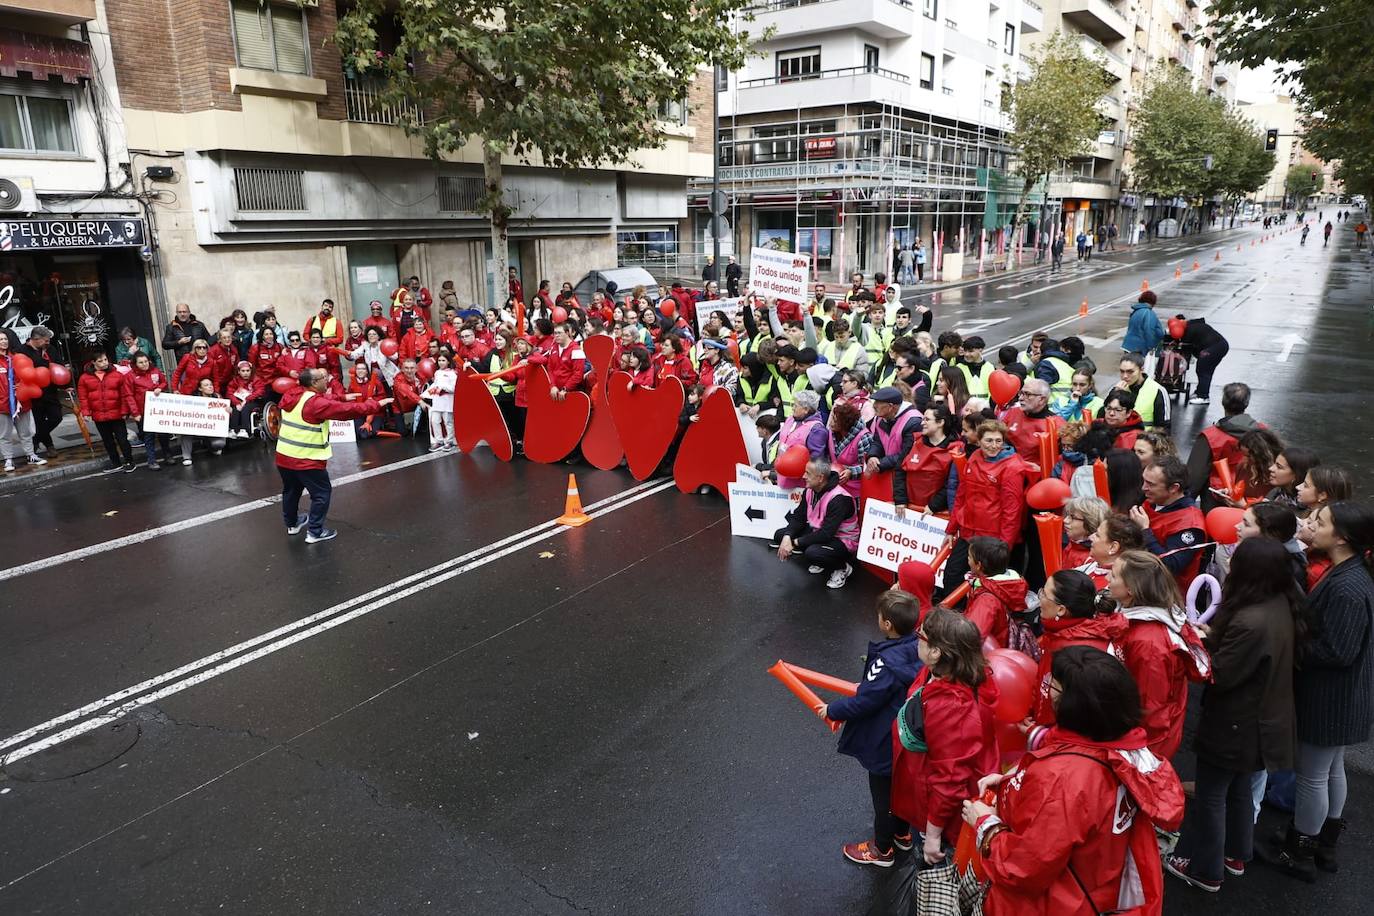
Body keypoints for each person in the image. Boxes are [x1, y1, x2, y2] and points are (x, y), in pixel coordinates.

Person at [964, 646, 1185, 916]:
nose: (1048, 692)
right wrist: (1012, 781)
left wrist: (985, 824)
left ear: (1074, 704)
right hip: (1094, 889)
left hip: (1050, 904)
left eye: (1053, 687)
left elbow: (1023, 867)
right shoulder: (1124, 748)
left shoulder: (1065, 779)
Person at [1166, 537, 1303, 892]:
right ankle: (1235, 855)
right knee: (1240, 788)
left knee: (1212, 795)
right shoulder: (1279, 605)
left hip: (1236, 721)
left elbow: (1222, 673)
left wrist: (1196, 644)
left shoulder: (1250, 619)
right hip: (1263, 720)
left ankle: (1205, 869)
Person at [1270, 501, 1374, 880]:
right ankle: (1323, 843)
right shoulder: (1350, 573)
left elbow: (1337, 651)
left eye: (1322, 521)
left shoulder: (1347, 585)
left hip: (1331, 697)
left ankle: (1300, 849)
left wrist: (1290, 644)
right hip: (1343, 696)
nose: (1313, 524)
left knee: (1314, 775)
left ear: (1342, 537)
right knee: (1330, 770)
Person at [818, 590, 923, 867]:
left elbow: (866, 700)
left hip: (883, 740)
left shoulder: (886, 662)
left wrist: (833, 709)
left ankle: (881, 850)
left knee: (883, 797)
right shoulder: (918, 649)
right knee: (901, 788)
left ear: (887, 624)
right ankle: (903, 834)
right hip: (906, 739)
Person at [892, 608, 998, 865]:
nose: (917, 638)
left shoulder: (953, 707)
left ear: (936, 652)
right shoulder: (943, 671)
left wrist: (932, 836)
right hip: (926, 788)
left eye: (922, 635)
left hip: (944, 818)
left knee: (932, 882)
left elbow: (950, 780)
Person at [1108, 550, 1212, 759]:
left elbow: (1151, 710)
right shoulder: (1135, 620)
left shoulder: (1149, 643)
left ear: (1131, 589)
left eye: (1113, 575)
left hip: (1145, 746)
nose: (1108, 579)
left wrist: (1138, 754)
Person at [275, 368, 390, 544]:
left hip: (284, 455)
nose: (327, 379)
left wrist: (341, 397)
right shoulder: (315, 404)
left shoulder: (293, 393)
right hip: (307, 458)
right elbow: (346, 411)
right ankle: (315, 532)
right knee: (321, 493)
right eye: (323, 378)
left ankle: (292, 524)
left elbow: (325, 400)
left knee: (291, 491)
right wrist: (376, 405)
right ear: (313, 383)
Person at [942, 419, 1030, 598]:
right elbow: (961, 495)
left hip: (992, 540)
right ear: (979, 440)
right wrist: (951, 529)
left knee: (987, 586)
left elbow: (1012, 512)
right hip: (969, 532)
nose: (994, 446)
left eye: (998, 441)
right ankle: (954, 618)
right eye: (989, 440)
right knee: (952, 575)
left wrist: (1004, 548)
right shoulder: (974, 457)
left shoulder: (1012, 467)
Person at [1031, 570, 1126, 725]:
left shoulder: (1076, 654)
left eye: (1044, 594)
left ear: (1061, 610)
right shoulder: (1062, 635)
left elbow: (1080, 719)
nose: (1039, 598)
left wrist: (1040, 735)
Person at [771, 458, 858, 589]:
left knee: (813, 553)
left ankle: (843, 567)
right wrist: (787, 537)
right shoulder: (810, 490)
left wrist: (794, 543)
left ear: (820, 478)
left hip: (842, 540)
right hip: (818, 531)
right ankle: (817, 557)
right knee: (780, 535)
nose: (803, 476)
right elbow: (798, 518)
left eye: (807, 473)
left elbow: (826, 534)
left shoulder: (840, 499)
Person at [1131, 455, 1207, 587]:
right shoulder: (1154, 501)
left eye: (1151, 484)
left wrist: (1144, 531)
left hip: (1167, 595)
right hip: (1139, 579)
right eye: (1144, 481)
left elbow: (1170, 566)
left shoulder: (1190, 523)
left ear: (1173, 488)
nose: (1143, 488)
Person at [1185, 382, 1264, 503]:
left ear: (1223, 402)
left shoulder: (1211, 436)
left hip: (1218, 496)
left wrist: (1186, 501)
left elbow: (1195, 475)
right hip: (1253, 495)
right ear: (1246, 403)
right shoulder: (1263, 431)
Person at [964, 536, 1029, 651]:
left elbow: (971, 637)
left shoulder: (987, 600)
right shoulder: (1005, 586)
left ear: (979, 565)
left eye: (969, 557)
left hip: (987, 655)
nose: (967, 559)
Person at [78, 352, 138, 472]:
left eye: (105, 359)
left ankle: (129, 461)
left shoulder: (117, 375)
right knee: (108, 441)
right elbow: (83, 397)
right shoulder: (84, 378)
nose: (104, 363)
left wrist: (125, 410)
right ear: (93, 362)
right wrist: (86, 412)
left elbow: (124, 394)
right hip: (99, 415)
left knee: (122, 439)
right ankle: (115, 463)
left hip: (117, 413)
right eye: (100, 361)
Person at [895, 404, 961, 512]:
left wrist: (934, 506)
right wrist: (900, 499)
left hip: (933, 512)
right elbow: (899, 470)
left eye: (927, 420)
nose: (922, 423)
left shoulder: (955, 449)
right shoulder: (914, 440)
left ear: (940, 422)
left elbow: (951, 483)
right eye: (922, 419)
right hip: (907, 508)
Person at [15, 326, 63, 455]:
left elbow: (58, 365)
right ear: (35, 339)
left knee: (56, 417)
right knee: (39, 420)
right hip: (33, 392)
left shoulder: (50, 349)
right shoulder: (21, 351)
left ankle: (35, 439)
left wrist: (65, 382)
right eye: (45, 340)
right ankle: (49, 446)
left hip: (50, 391)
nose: (48, 343)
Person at [775, 389, 827, 489]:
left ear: (806, 409)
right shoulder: (791, 419)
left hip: (799, 484)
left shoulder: (816, 429)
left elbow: (816, 459)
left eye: (796, 405)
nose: (793, 408)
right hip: (781, 476)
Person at [126, 352, 169, 469]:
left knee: (164, 434)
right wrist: (135, 413)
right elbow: (129, 395)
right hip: (143, 411)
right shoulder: (130, 376)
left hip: (158, 409)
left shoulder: (155, 371)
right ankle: (152, 460)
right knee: (148, 436)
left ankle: (168, 455)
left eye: (146, 361)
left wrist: (160, 387)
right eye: (141, 362)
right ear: (135, 364)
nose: (144, 364)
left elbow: (164, 382)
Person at [1175, 316, 1230, 406]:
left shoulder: (1189, 330)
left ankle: (1203, 396)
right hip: (1220, 345)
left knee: (1203, 371)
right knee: (1206, 370)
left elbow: (1186, 350)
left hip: (1214, 347)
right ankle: (1200, 391)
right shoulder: (1195, 325)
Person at [826, 401, 872, 500]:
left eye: (835, 420)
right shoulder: (831, 433)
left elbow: (867, 467)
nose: (830, 422)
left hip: (854, 491)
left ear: (844, 423)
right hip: (833, 486)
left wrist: (851, 472)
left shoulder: (863, 437)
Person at [1000, 378, 1053, 462]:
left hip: (1036, 472)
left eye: (1027, 394)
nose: (1020, 398)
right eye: (1021, 393)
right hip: (1007, 466)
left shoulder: (1055, 424)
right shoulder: (1012, 412)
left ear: (1042, 399)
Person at [179, 378, 228, 465]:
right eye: (206, 385)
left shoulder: (217, 397)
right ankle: (186, 457)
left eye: (211, 385)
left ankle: (210, 446)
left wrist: (229, 411)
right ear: (200, 389)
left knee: (219, 444)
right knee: (185, 431)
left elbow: (224, 415)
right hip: (196, 428)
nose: (210, 387)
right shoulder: (194, 400)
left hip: (211, 429)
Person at [1113, 353, 1167, 428]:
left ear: (1141, 369)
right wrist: (1115, 394)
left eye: (1130, 372)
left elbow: (1164, 426)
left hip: (1143, 438)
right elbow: (1105, 416)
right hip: (1121, 438)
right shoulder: (1117, 388)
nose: (1125, 376)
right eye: (1122, 371)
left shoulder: (1157, 390)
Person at [1266, 445, 1321, 512]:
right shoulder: (1275, 493)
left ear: (1297, 475)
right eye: (1274, 463)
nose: (1271, 468)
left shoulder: (1311, 509)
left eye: (1279, 467)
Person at [1061, 496, 1109, 570]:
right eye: (1067, 515)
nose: (1065, 520)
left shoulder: (1094, 559)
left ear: (1090, 522)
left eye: (1072, 517)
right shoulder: (1073, 544)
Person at [422, 352, 457, 451]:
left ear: (448, 362)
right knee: (435, 420)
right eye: (439, 361)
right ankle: (439, 441)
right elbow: (435, 385)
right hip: (437, 401)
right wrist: (430, 391)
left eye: (443, 360)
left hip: (448, 401)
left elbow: (454, 388)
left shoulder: (452, 374)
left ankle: (449, 441)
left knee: (448, 422)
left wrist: (442, 387)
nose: (441, 363)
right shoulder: (437, 373)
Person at [1123, 291, 1164, 361]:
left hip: (1128, 346)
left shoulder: (1136, 311)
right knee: (1137, 370)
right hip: (1139, 349)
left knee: (1129, 369)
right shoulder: (1148, 313)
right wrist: (1151, 347)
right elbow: (1149, 331)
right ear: (1153, 301)